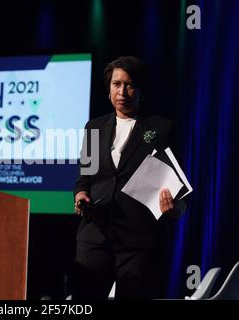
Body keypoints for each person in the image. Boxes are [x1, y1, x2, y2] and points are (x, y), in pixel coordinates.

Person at [72, 56, 187, 299]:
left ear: (141, 91)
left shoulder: (162, 128)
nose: (122, 91)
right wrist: (81, 194)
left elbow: (178, 186)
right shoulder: (93, 127)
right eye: (116, 84)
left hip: (138, 241)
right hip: (95, 234)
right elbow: (85, 178)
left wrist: (175, 208)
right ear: (109, 89)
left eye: (129, 84)